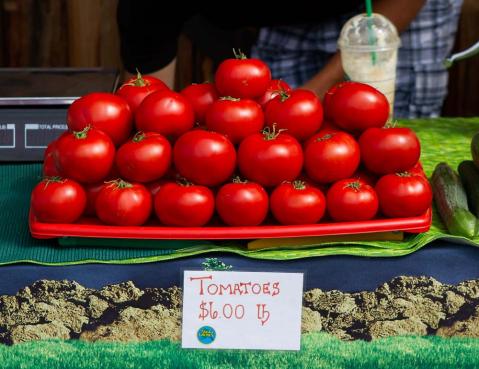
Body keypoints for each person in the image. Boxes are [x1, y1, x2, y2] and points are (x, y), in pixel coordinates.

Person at [117, 0, 463, 118]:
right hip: (283, 18)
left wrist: (314, 91)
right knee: (276, 157)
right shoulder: (148, 7)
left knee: (385, 141)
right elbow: (145, 106)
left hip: (380, 13)